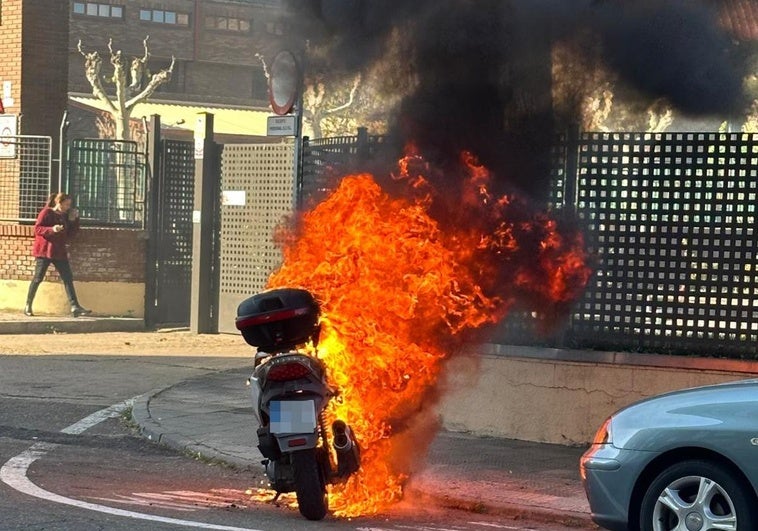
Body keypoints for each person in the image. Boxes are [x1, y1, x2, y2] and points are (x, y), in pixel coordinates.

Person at [25, 193, 91, 317]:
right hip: (45, 251)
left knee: (67, 278)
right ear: (58, 203)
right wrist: (52, 229)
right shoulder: (47, 213)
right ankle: (28, 304)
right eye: (66, 204)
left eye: (69, 205)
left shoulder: (65, 216)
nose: (68, 207)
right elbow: (38, 229)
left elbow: (71, 234)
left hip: (59, 252)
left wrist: (74, 220)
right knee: (38, 278)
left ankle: (74, 306)